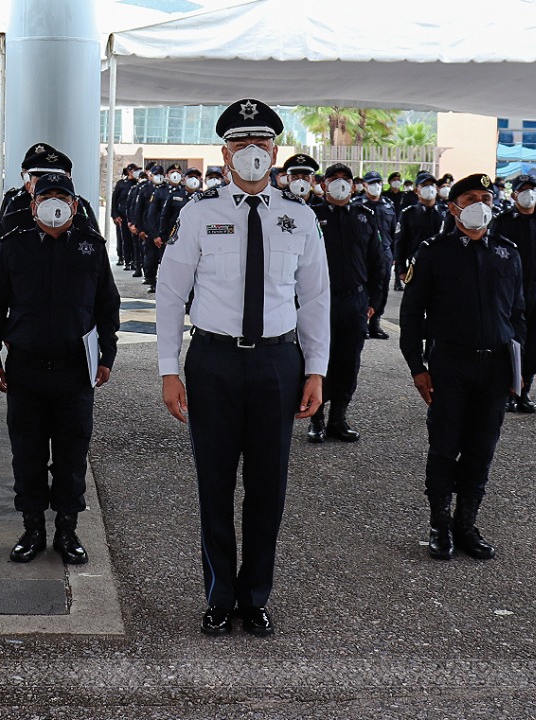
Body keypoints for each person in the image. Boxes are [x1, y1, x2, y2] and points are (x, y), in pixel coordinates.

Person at [156, 99, 329, 636]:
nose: (251, 152)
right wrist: (168, 369)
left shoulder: (299, 217)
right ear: (224, 152)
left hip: (279, 361)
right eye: (239, 143)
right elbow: (169, 293)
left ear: (275, 150)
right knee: (214, 484)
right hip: (213, 362)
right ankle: (219, 595)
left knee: (268, 488)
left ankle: (254, 596)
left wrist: (317, 369)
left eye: (261, 143)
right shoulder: (198, 214)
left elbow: (316, 298)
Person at [0, 172, 120, 568]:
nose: (55, 203)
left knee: (72, 455)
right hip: (25, 371)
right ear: (33, 204)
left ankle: (67, 528)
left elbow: (108, 307)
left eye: (63, 196)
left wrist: (106, 357)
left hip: (75, 372)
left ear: (76, 206)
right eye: (47, 196)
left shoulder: (92, 248)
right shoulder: (13, 246)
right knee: (27, 453)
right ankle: (32, 527)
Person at [399, 173, 523, 561]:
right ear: (453, 206)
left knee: (481, 448)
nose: (480, 203)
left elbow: (517, 314)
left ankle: (466, 524)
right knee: (444, 446)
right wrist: (417, 366)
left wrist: (517, 368)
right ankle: (439, 525)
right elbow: (411, 316)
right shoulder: (433, 251)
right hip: (449, 365)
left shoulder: (507, 252)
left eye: (486, 196)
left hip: (495, 367)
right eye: (470, 197)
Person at [307, 163, 386, 443]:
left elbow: (378, 261)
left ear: (354, 186)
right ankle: (315, 418)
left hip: (354, 300)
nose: (340, 184)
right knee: (316, 357)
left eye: (345, 179)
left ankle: (338, 418)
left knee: (348, 359)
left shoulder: (366, 216)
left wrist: (374, 302)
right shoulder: (311, 215)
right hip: (319, 299)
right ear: (323, 184)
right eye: (333, 179)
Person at [492, 174, 536, 413]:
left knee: (535, 340)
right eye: (524, 190)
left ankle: (526, 389)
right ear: (514, 195)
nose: (529, 194)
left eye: (533, 189)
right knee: (510, 339)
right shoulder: (504, 221)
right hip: (510, 288)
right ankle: (508, 389)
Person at [353, 170, 397, 339]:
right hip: (363, 255)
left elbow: (394, 232)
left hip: (384, 254)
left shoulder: (387, 205)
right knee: (363, 287)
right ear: (364, 185)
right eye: (371, 183)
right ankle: (362, 322)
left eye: (378, 182)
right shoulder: (357, 205)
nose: (375, 186)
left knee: (382, 288)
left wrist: (394, 254)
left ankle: (375, 323)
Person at [395, 172, 447, 289]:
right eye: (424, 185)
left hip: (442, 266)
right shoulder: (408, 214)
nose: (429, 188)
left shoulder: (445, 213)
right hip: (417, 265)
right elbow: (400, 243)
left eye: (431, 185)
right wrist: (401, 270)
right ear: (417, 190)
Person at [111, 164, 139, 267]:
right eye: (131, 170)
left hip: (133, 216)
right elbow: (114, 200)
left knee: (133, 240)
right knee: (123, 238)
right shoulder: (122, 184)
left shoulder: (137, 184)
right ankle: (122, 257)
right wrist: (115, 215)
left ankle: (133, 260)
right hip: (122, 216)